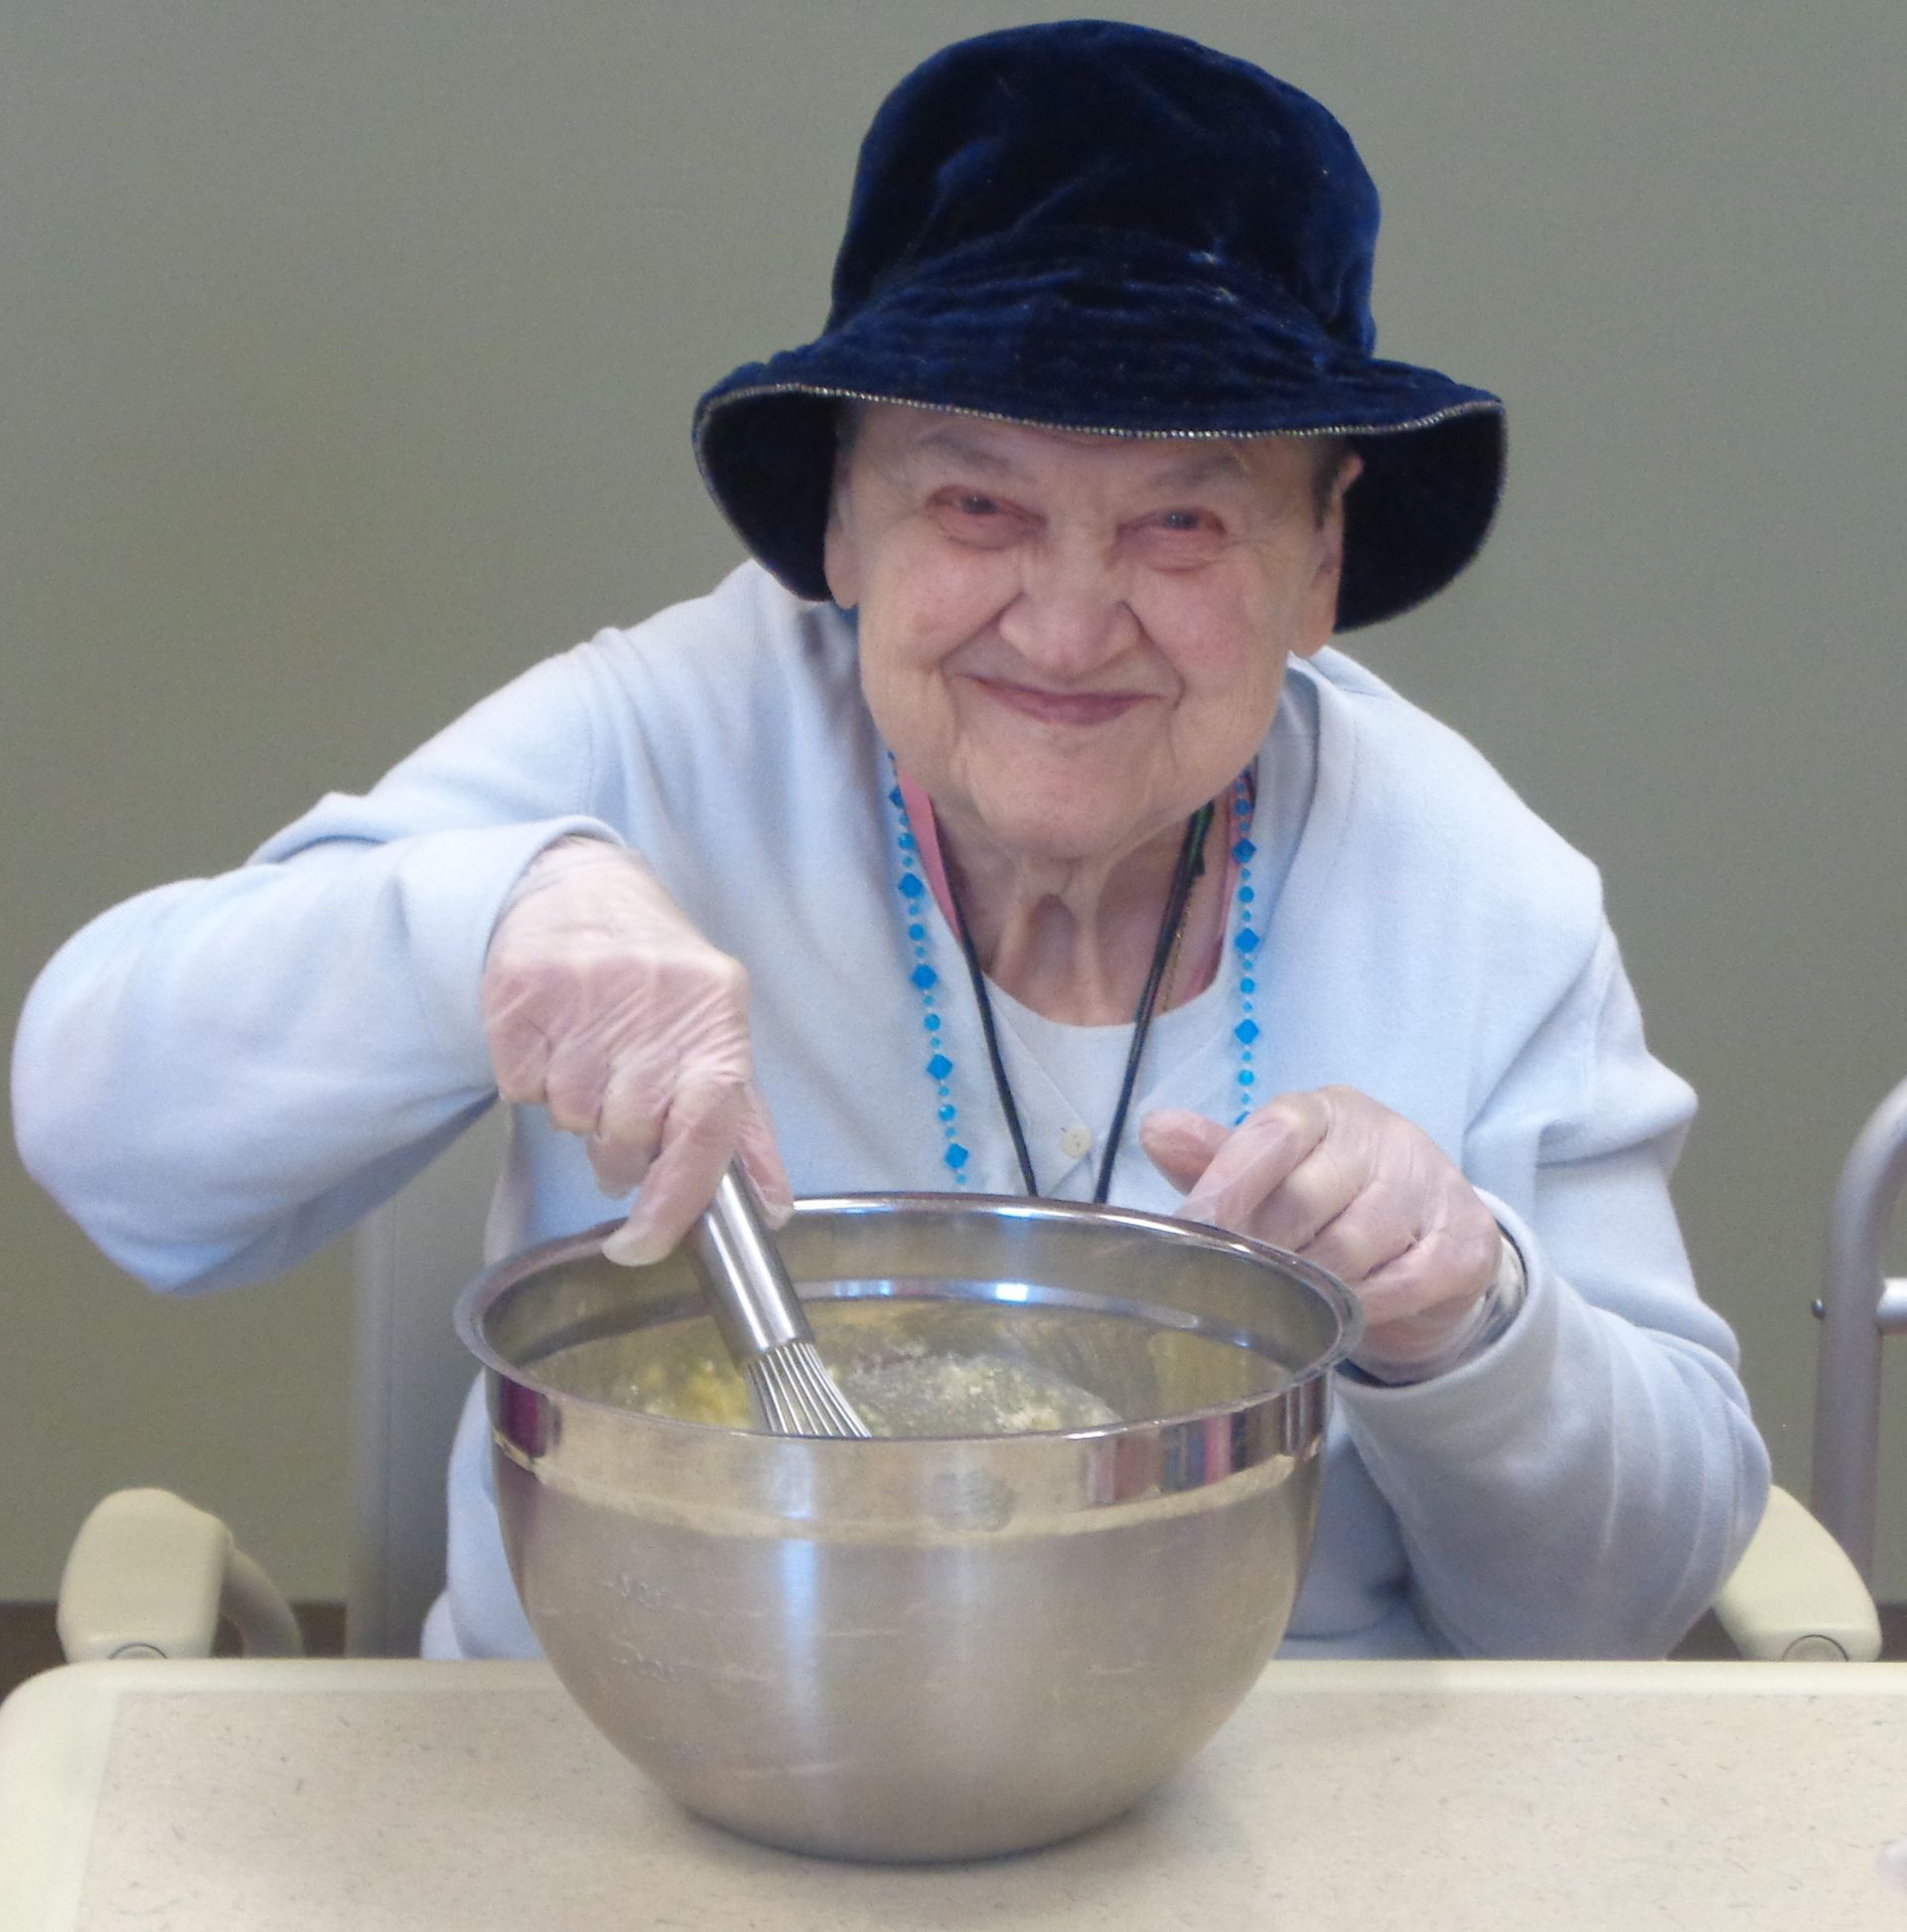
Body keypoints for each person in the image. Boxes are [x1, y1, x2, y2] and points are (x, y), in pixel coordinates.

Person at [12, 20, 1768, 1661]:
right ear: (841, 516)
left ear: (1320, 563)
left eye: (1180, 520)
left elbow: (1625, 1596)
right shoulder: (664, 732)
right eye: (975, 502)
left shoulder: (1479, 886)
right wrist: (485, 923)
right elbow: (106, 1129)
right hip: (632, 1762)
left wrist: (1470, 1317)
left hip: (1262, 1798)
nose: (1069, 629)